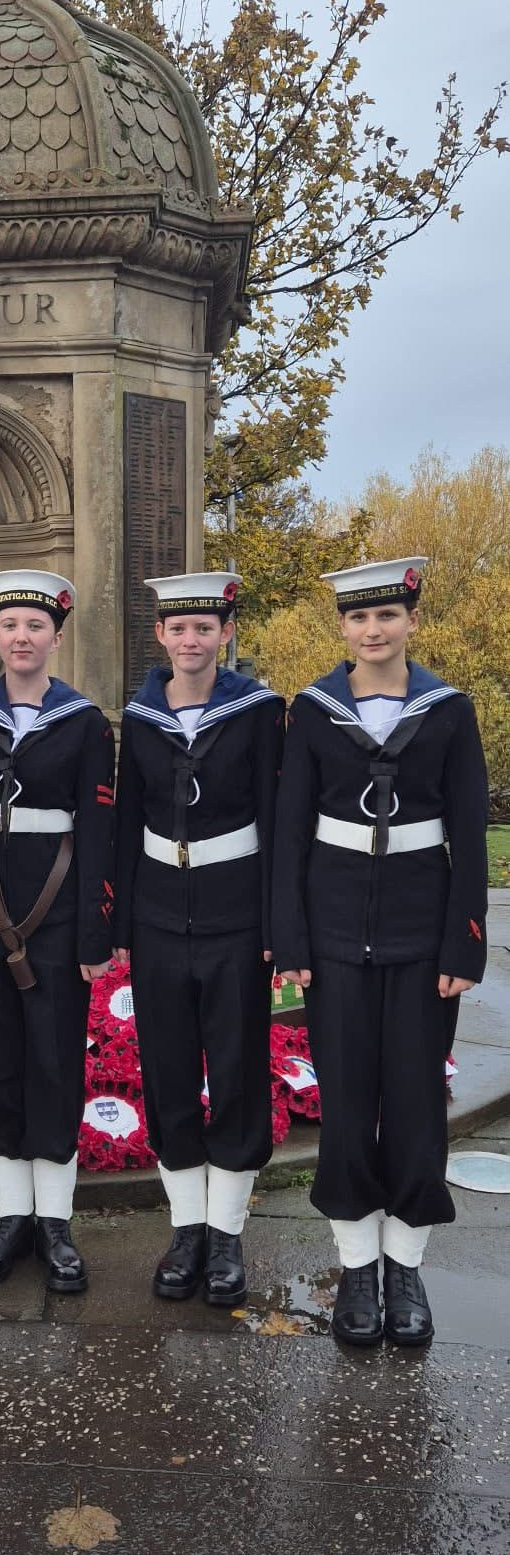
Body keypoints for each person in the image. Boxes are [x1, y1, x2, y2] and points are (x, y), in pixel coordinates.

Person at [272, 557, 489, 1348]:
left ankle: (406, 1266)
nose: (373, 630)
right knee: (347, 1105)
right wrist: (291, 940)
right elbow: (290, 831)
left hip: (421, 937)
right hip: (333, 936)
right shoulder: (313, 711)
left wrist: (465, 942)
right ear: (343, 627)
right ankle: (357, 1268)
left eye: (387, 616)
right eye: (359, 618)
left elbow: (470, 832)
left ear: (411, 622)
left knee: (416, 1106)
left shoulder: (448, 711)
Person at [114, 574, 284, 1303]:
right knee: (169, 1068)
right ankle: (186, 1230)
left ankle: (226, 1234)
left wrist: (278, 925)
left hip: (235, 911)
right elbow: (127, 820)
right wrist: (121, 924)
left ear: (225, 633)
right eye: (179, 629)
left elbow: (277, 818)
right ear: (161, 635)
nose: (191, 640)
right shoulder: (140, 716)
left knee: (238, 1067)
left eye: (205, 628)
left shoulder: (259, 711)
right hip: (158, 914)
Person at [0, 571, 115, 1293]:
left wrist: (93, 934)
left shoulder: (84, 724)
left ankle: (54, 1221)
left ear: (56, 636)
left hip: (54, 919)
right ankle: (11, 1216)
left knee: (53, 1065)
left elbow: (99, 832)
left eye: (36, 626)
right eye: (10, 625)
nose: (22, 638)